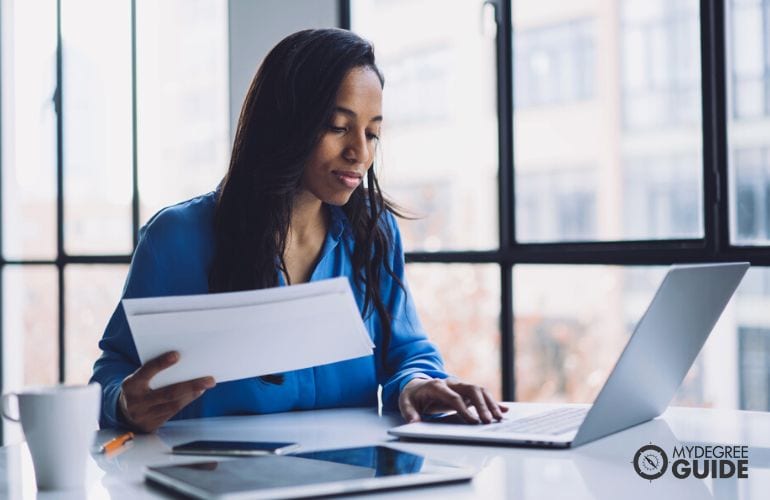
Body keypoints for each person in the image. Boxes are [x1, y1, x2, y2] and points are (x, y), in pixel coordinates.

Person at [90, 28, 507, 433]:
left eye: (372, 132)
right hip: (218, 479)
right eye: (338, 126)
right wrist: (125, 404)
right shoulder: (177, 237)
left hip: (348, 476)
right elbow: (113, 372)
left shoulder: (374, 232)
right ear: (286, 122)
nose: (360, 152)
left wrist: (417, 384)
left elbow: (407, 352)